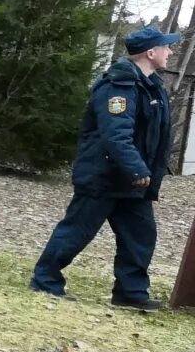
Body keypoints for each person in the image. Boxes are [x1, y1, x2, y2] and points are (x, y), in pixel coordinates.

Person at [29, 26, 180, 312]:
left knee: (141, 235)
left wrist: (145, 173)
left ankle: (130, 293)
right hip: (104, 176)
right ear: (151, 52)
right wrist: (138, 169)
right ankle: (45, 280)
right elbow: (116, 135)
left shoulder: (152, 85)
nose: (170, 52)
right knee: (76, 231)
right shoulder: (119, 84)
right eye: (166, 47)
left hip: (133, 182)